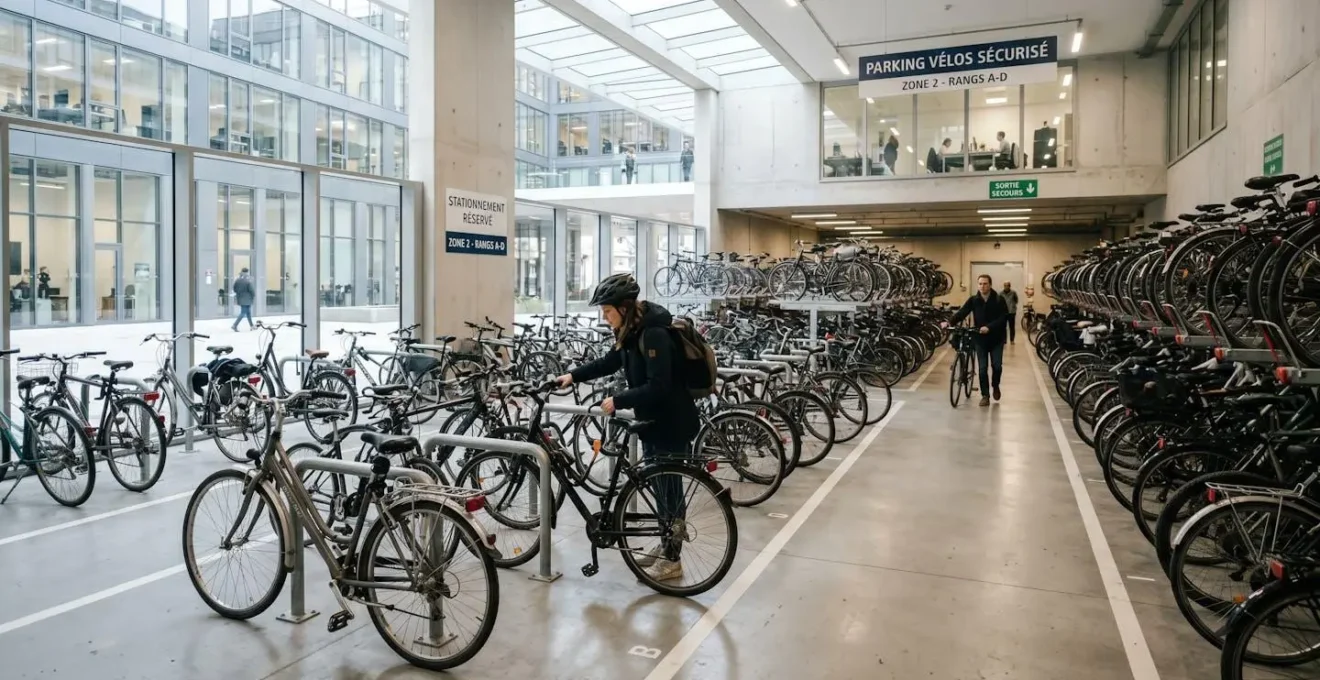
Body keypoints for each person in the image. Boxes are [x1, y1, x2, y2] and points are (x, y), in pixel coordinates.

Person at [555, 273, 699, 581]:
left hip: (670, 423)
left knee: (670, 494)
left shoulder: (654, 334)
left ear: (624, 307)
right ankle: (666, 547)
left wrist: (618, 399)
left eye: (607, 311)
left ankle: (673, 561)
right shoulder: (633, 332)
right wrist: (573, 375)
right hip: (654, 422)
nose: (604, 318)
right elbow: (609, 363)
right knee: (662, 491)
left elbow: (659, 386)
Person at [943, 274, 1009, 406]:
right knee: (982, 369)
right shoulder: (974, 300)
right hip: (980, 339)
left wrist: (989, 327)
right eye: (980, 284)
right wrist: (949, 322)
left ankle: (995, 385)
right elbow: (962, 312)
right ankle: (985, 395)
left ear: (990, 285)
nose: (982, 286)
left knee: (997, 366)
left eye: (985, 284)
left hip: (996, 339)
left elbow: (1003, 318)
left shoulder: (998, 299)